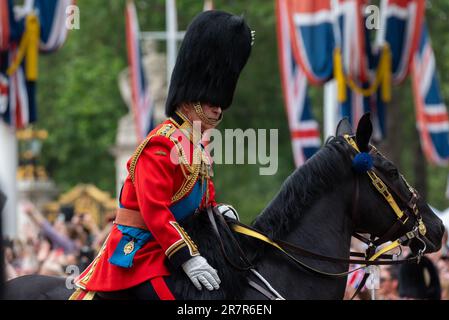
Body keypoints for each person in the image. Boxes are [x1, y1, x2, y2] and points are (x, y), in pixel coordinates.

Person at [71, 10, 253, 300]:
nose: (219, 109)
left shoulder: (196, 147)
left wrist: (217, 214)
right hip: (140, 252)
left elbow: (202, 202)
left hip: (168, 247)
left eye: (221, 102)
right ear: (191, 98)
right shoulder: (161, 144)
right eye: (212, 101)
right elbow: (155, 211)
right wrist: (187, 257)